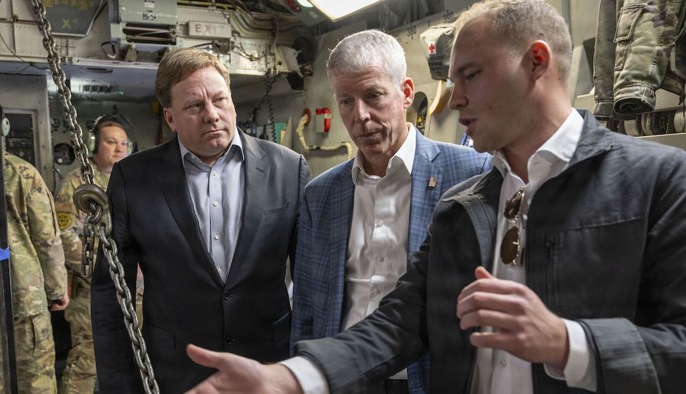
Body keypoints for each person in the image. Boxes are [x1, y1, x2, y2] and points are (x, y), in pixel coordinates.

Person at [184, 1, 686, 393]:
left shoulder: (659, 182)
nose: (455, 96)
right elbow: (402, 321)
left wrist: (567, 343)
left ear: (537, 62)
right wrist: (292, 378)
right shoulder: (468, 203)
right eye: (452, 78)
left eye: (471, 75)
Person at [91, 47, 310, 393]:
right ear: (170, 117)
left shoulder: (288, 168)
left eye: (220, 100)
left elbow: (309, 283)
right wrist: (118, 384)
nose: (212, 115)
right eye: (195, 106)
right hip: (175, 371)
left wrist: (306, 371)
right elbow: (111, 293)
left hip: (268, 366)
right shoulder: (132, 178)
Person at [290, 30, 491, 394]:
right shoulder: (320, 194)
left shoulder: (471, 173)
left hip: (428, 376)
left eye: (373, 96)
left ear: (407, 93)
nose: (360, 116)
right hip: (344, 378)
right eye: (346, 101)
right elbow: (307, 303)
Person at [54, 116, 130, 393]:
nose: (119, 148)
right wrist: (97, 267)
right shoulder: (76, 182)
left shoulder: (132, 178)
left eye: (123, 143)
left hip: (136, 286)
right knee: (87, 358)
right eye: (111, 142)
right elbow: (63, 235)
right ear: (94, 145)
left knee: (131, 356)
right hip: (92, 288)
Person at [0, 147, 70, 392]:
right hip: (24, 295)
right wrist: (58, 289)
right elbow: (46, 239)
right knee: (36, 379)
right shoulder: (22, 173)